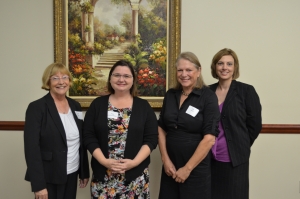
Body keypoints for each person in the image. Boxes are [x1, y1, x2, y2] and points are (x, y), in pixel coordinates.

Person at [83, 60, 158, 198]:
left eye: (126, 76)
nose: (121, 79)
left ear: (133, 80)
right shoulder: (97, 105)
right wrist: (105, 162)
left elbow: (151, 139)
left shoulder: (144, 107)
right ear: (110, 78)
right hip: (103, 177)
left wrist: (134, 163)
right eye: (117, 75)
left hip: (135, 178)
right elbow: (88, 136)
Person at [158, 52, 220, 199]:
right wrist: (165, 160)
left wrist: (187, 169)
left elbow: (209, 139)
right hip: (170, 167)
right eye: (180, 70)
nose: (184, 74)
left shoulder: (208, 97)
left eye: (189, 70)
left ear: (198, 71)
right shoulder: (171, 95)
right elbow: (160, 127)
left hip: (195, 168)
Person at [24, 63, 90, 199]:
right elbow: (32, 149)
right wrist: (39, 185)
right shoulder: (37, 107)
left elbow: (80, 142)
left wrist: (84, 172)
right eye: (55, 78)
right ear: (48, 81)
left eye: (65, 77)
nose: (61, 82)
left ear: (69, 81)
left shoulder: (75, 106)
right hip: (49, 176)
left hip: (72, 172)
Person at [209, 48, 262, 199]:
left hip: (235, 160)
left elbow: (255, 125)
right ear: (215, 66)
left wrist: (241, 144)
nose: (224, 67)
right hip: (209, 159)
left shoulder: (246, 91)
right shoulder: (207, 92)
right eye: (220, 63)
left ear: (235, 67)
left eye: (229, 64)